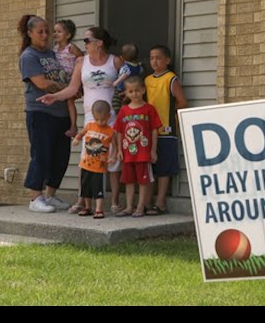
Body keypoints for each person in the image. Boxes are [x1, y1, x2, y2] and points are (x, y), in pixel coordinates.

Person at [37, 27, 124, 215]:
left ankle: (115, 201)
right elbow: (72, 88)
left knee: (113, 159)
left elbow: (128, 83)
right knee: (87, 159)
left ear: (98, 43)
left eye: (87, 40)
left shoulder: (115, 61)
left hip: (111, 117)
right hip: (91, 118)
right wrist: (54, 97)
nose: (83, 44)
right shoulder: (81, 62)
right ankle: (83, 201)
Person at [18, 14, 71, 213]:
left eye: (47, 31)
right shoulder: (29, 56)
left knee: (61, 156)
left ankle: (50, 195)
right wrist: (68, 89)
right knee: (41, 154)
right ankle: (35, 198)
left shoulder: (52, 54)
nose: (45, 34)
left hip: (61, 112)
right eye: (40, 31)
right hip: (40, 112)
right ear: (30, 33)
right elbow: (42, 84)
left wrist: (70, 89)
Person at [144, 45, 187, 215]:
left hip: (166, 131)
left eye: (158, 58)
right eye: (152, 58)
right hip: (149, 130)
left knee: (163, 168)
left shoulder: (171, 79)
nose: (154, 61)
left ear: (167, 60)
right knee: (150, 167)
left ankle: (160, 202)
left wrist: (172, 117)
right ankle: (146, 201)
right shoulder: (147, 80)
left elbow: (182, 102)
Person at [114, 76, 162, 217]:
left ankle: (140, 206)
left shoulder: (149, 109)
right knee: (128, 181)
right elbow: (119, 131)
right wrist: (118, 150)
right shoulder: (123, 110)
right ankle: (129, 206)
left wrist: (153, 151)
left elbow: (154, 130)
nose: (134, 94)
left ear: (143, 90)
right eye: (130, 91)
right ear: (126, 93)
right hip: (128, 153)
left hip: (143, 153)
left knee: (143, 180)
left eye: (137, 91)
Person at [72, 100, 116, 219]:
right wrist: (76, 139)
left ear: (109, 116)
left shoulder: (110, 131)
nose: (100, 122)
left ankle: (99, 209)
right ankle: (87, 207)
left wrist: (112, 156)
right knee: (86, 188)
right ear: (93, 116)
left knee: (98, 189)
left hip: (99, 167)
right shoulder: (89, 126)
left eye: (103, 119)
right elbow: (81, 134)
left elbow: (115, 146)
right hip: (85, 164)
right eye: (97, 119)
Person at [53, 19, 84, 138]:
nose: (55, 34)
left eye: (59, 31)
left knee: (70, 101)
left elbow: (82, 59)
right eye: (55, 31)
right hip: (60, 79)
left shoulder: (71, 48)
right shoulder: (55, 49)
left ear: (68, 35)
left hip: (71, 79)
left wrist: (76, 74)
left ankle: (73, 126)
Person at [112, 43, 143, 114]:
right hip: (132, 89)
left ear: (122, 57)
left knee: (115, 102)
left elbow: (124, 75)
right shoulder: (139, 67)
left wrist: (116, 82)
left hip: (121, 88)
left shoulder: (126, 67)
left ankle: (119, 113)